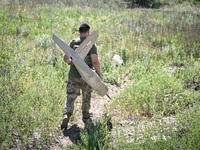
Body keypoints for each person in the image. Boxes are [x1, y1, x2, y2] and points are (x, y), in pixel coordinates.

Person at [61, 23, 102, 130]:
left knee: (70, 95)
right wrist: (99, 74)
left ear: (79, 32)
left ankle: (67, 115)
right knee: (86, 95)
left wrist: (69, 63)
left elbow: (65, 57)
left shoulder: (73, 43)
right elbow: (95, 61)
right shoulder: (91, 44)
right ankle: (85, 115)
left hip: (73, 75)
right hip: (86, 76)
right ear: (88, 31)